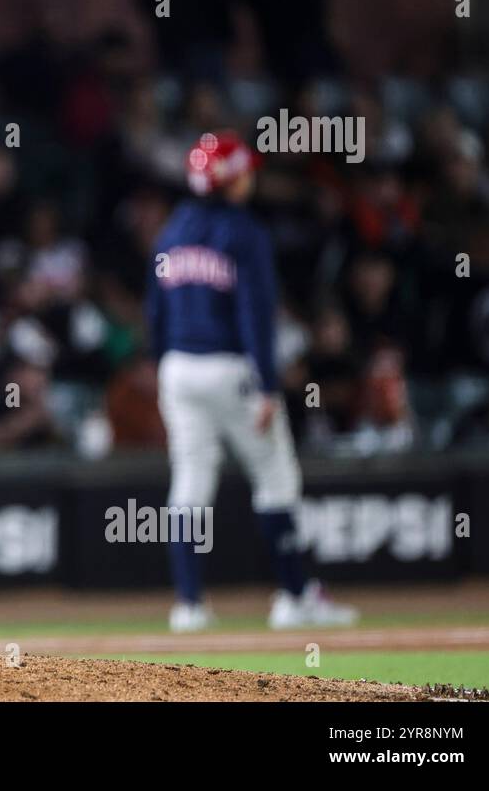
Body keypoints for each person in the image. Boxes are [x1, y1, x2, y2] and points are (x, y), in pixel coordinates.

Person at [146, 131, 359, 632]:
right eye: (245, 171)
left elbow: (154, 314)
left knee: (191, 481)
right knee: (276, 476)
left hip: (177, 367)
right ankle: (293, 597)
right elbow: (255, 315)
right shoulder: (245, 233)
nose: (251, 178)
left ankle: (189, 605)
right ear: (231, 178)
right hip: (230, 369)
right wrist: (266, 385)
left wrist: (163, 367)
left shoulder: (170, 232)